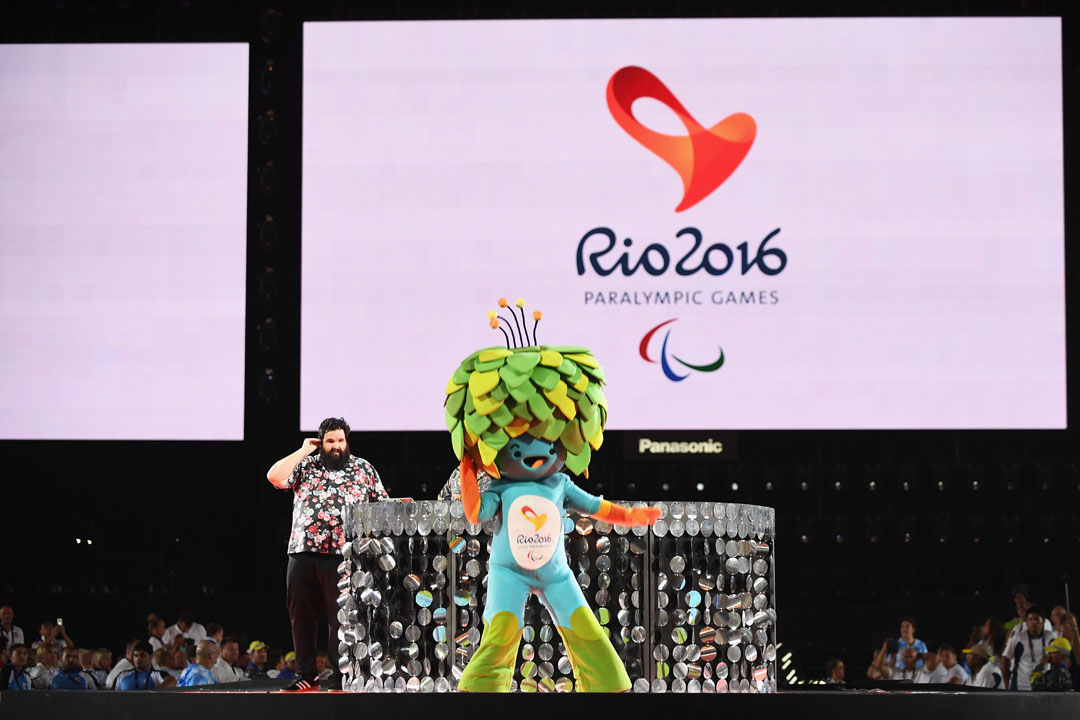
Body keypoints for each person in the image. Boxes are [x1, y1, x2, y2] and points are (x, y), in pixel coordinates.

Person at [266, 417, 389, 692]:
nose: (336, 446)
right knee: (301, 616)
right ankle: (306, 675)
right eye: (330, 441)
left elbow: (381, 506)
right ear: (321, 442)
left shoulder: (363, 468)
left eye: (340, 441)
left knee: (341, 619)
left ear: (347, 442)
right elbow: (273, 476)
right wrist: (302, 450)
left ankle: (340, 675)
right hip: (303, 551)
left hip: (342, 554)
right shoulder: (306, 465)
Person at [1002, 606, 1057, 690]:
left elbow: (1059, 659)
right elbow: (1005, 659)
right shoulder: (1018, 637)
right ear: (1026, 623)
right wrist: (1006, 685)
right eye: (1030, 620)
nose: (1033, 622)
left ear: (1043, 622)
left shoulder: (1051, 637)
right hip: (1019, 687)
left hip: (1042, 687)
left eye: (1037, 619)